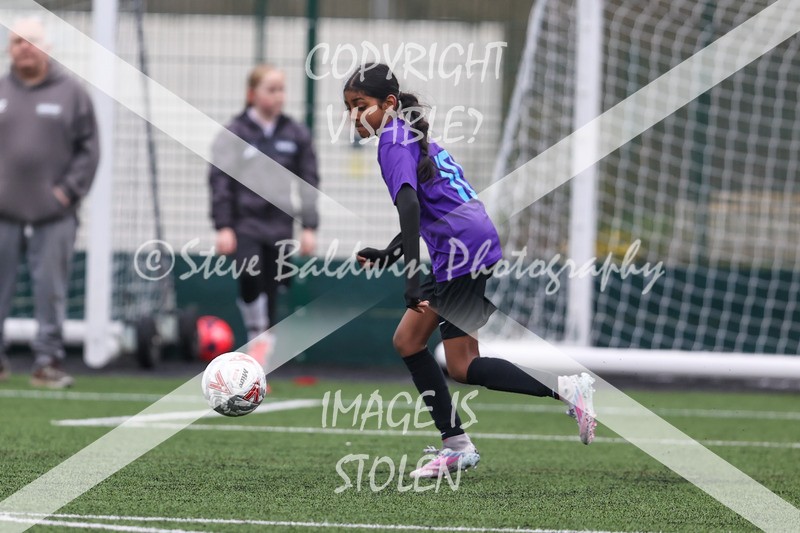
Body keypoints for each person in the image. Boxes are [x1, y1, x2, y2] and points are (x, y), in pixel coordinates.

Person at [345, 63, 596, 479]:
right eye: (349, 108)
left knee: (453, 362)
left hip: (461, 251)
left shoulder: (391, 139)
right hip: (470, 243)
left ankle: (563, 389)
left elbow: (409, 207)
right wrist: (393, 251)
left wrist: (410, 281)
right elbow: (430, 203)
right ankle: (458, 444)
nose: (354, 116)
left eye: (361, 106)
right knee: (413, 343)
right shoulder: (408, 133)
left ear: (388, 104)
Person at [0, 18, 100, 388]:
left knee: (52, 289)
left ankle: (47, 362)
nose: (24, 47)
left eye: (31, 41)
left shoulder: (72, 93)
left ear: (47, 47)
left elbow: (89, 151)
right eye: (16, 41)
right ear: (9, 49)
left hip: (54, 214)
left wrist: (67, 193)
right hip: (3, 213)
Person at [209, 64, 319, 369]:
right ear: (252, 94)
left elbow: (309, 182)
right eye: (271, 89)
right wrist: (223, 226)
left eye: (281, 89)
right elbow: (220, 181)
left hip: (280, 224)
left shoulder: (295, 134)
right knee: (250, 274)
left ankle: (260, 355)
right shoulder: (235, 133)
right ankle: (257, 335)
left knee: (274, 286)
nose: (278, 96)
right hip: (245, 223)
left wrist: (309, 226)